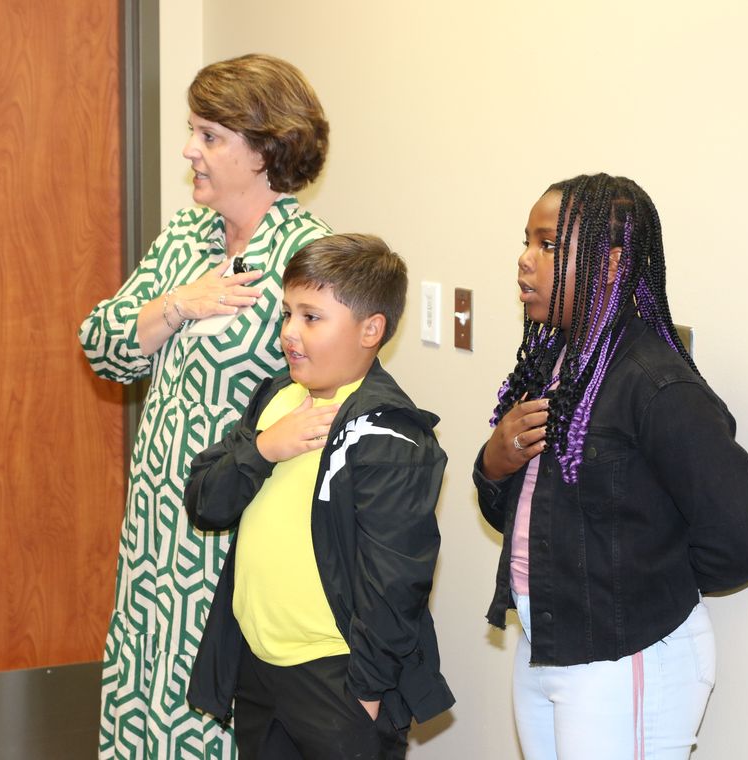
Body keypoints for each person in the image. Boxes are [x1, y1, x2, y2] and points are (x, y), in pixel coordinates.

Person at [78, 54, 331, 760]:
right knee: (144, 686)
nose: (190, 150)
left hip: (237, 520)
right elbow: (102, 344)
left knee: (213, 700)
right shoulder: (186, 238)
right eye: (194, 131)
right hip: (158, 521)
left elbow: (332, 391)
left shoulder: (308, 256)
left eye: (210, 136)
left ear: (265, 149)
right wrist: (175, 305)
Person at [475, 174, 748, 760]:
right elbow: (522, 514)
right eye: (525, 241)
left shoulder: (659, 385)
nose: (524, 261)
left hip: (628, 653)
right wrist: (493, 463)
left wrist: (637, 588)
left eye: (547, 245)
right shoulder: (553, 361)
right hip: (549, 640)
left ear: (608, 264)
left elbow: (740, 544)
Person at [183, 234, 455, 759]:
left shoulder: (389, 433)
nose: (289, 333)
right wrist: (264, 448)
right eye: (287, 314)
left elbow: (396, 583)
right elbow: (205, 502)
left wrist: (368, 694)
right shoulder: (276, 399)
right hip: (260, 669)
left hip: (337, 681)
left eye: (312, 317)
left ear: (371, 330)